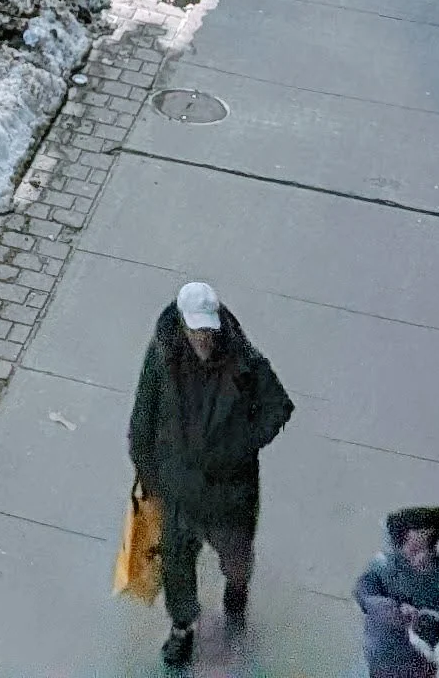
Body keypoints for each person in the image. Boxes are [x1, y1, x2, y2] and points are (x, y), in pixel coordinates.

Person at [128, 279, 293, 670]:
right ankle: (182, 628)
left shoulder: (241, 360)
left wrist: (239, 447)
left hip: (228, 493)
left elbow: (278, 406)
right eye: (195, 330)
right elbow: (143, 417)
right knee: (177, 565)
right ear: (183, 327)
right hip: (179, 490)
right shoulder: (162, 358)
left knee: (235, 558)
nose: (203, 338)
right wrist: (150, 475)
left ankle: (236, 597)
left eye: (207, 329)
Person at [355, 505, 439, 673]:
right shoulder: (383, 567)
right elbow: (365, 594)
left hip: (421, 659)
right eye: (412, 546)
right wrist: (396, 609)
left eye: (426, 543)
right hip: (384, 655)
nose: (418, 554)